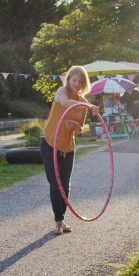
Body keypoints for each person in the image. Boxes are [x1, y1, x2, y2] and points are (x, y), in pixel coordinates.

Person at [40, 66, 96, 235]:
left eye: (80, 81)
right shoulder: (61, 92)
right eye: (74, 80)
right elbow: (65, 104)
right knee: (55, 184)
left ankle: (61, 218)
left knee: (65, 184)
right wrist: (89, 105)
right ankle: (58, 221)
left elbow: (80, 130)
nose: (77, 84)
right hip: (50, 142)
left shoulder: (83, 102)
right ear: (69, 80)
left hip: (68, 146)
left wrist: (77, 125)